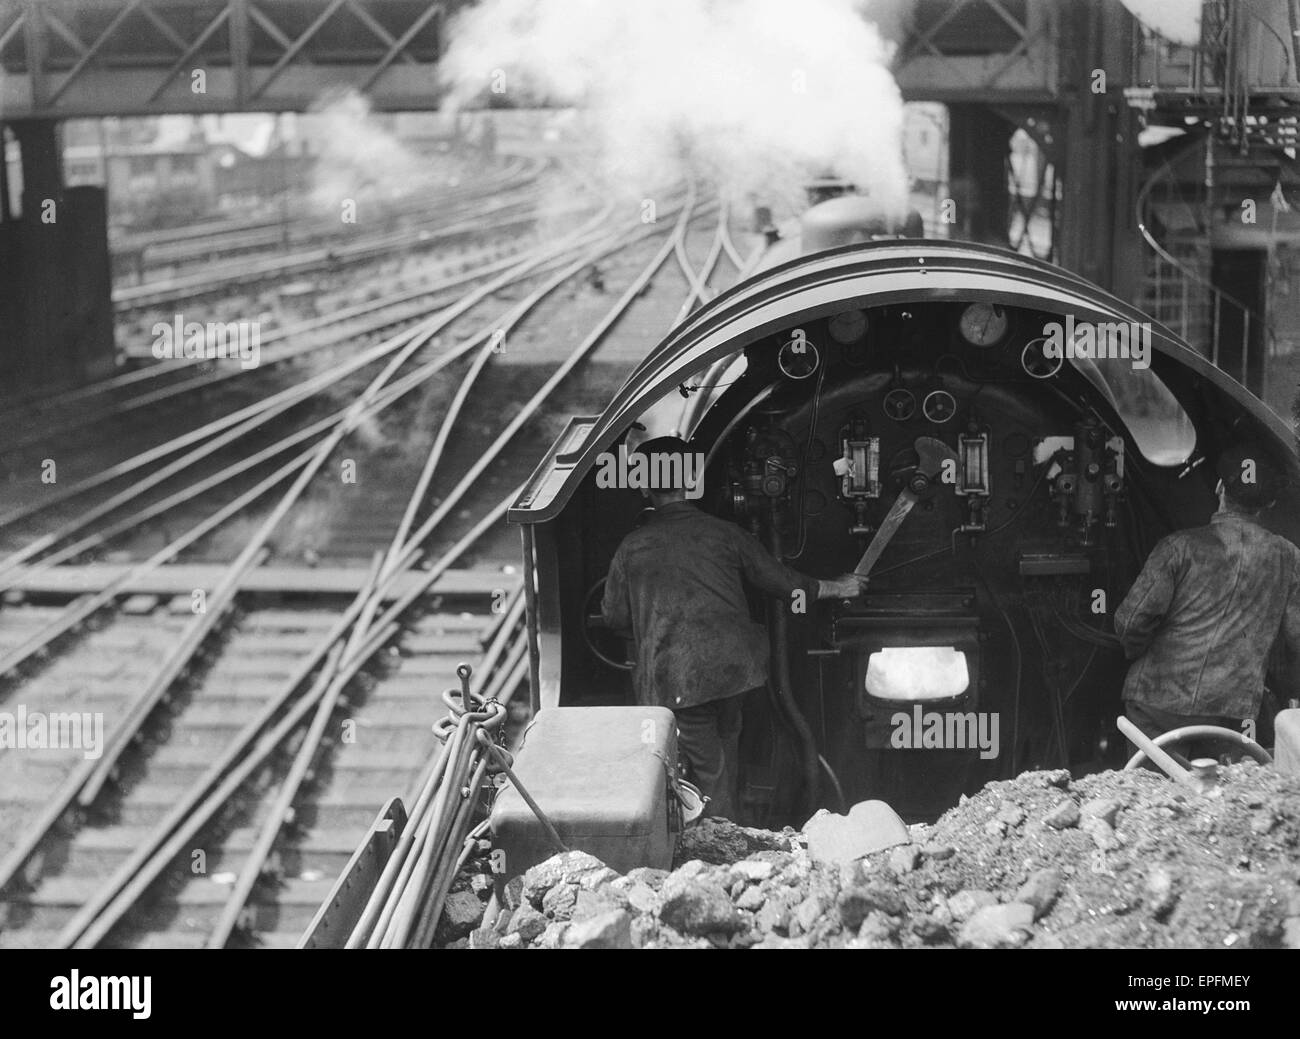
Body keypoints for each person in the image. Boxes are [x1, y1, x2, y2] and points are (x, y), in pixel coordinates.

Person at [601, 436, 865, 821]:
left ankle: (721, 851)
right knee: (726, 753)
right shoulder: (725, 533)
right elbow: (786, 585)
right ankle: (732, 837)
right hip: (737, 673)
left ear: (643, 484)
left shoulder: (632, 548)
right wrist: (839, 587)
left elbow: (615, 619)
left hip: (679, 681)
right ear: (690, 480)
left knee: (708, 772)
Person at [1115, 444, 1300, 756]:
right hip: (1231, 712)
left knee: (1151, 799)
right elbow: (1296, 636)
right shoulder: (1289, 557)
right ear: (1269, 502)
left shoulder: (1178, 547)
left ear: (1219, 488)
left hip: (1157, 705)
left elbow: (1130, 622)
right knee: (1215, 798)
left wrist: (1137, 652)